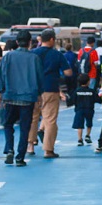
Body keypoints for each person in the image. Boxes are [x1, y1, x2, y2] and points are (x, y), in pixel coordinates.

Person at [0, 30, 41, 165]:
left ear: (16, 42)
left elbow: (1, 75)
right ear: (29, 43)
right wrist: (39, 96)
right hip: (28, 98)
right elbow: (39, 78)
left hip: (10, 95)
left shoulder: (8, 57)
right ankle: (20, 157)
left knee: (8, 124)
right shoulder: (34, 58)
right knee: (25, 127)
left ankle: (9, 149)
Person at [29, 29, 70, 159]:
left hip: (34, 89)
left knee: (33, 117)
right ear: (52, 39)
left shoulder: (33, 53)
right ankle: (48, 150)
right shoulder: (57, 54)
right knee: (50, 119)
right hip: (50, 88)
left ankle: (30, 146)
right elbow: (68, 72)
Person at [72, 74, 99, 146]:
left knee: (79, 125)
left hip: (79, 110)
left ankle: (80, 139)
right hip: (89, 109)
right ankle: (87, 135)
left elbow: (73, 100)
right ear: (88, 82)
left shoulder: (77, 91)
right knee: (89, 123)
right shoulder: (91, 91)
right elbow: (96, 99)